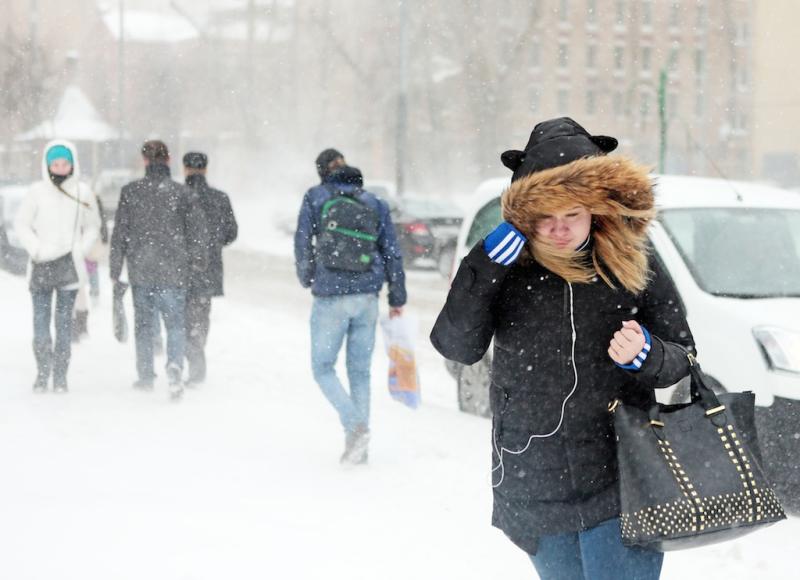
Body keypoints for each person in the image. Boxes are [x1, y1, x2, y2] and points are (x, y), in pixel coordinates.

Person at [430, 117, 696, 580]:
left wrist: (649, 356)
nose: (557, 230)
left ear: (596, 210)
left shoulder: (634, 261)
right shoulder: (505, 268)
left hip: (622, 472)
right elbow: (457, 346)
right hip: (534, 474)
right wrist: (481, 266)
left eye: (571, 215)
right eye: (544, 218)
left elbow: (684, 360)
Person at [294, 153, 406, 465]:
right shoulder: (375, 203)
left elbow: (303, 241)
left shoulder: (316, 197)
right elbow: (393, 252)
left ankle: (354, 426)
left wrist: (308, 277)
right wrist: (397, 297)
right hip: (367, 297)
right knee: (359, 372)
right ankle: (360, 448)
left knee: (322, 368)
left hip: (330, 294)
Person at [109, 140, 209, 399]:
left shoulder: (131, 192)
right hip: (174, 270)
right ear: (169, 160)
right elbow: (197, 232)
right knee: (175, 324)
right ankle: (174, 365)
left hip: (141, 269)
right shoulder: (183, 193)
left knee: (143, 325)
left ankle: (145, 375)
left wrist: (115, 267)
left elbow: (120, 233)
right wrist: (198, 261)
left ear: (144, 161)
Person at [14, 140, 100, 393]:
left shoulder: (83, 192)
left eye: (65, 163)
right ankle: (42, 373)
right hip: (42, 263)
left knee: (63, 325)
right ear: (47, 164)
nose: (60, 168)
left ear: (72, 164)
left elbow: (93, 226)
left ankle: (60, 376)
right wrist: (37, 248)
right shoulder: (36, 192)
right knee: (40, 324)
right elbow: (22, 224)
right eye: (55, 163)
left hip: (69, 267)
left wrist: (79, 249)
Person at [181, 151, 238, 386]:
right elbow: (231, 233)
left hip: (181, 266)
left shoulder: (178, 195)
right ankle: (197, 355)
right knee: (201, 316)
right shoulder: (220, 198)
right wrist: (213, 244)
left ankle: (190, 360)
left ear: (185, 168)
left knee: (180, 315)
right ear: (206, 168)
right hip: (210, 266)